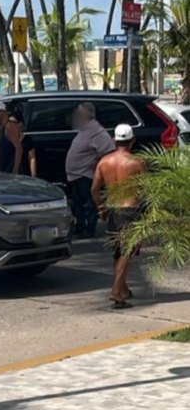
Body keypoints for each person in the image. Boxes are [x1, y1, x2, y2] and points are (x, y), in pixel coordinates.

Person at [92, 124, 146, 309]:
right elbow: (146, 190)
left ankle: (122, 288)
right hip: (130, 210)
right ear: (132, 141)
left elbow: (95, 190)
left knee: (118, 252)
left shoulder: (104, 162)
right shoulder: (137, 162)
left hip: (113, 210)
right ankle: (116, 291)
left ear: (114, 140)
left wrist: (101, 209)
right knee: (126, 252)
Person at [65, 102, 116, 238]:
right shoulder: (85, 129)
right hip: (75, 175)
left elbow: (109, 148)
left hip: (85, 174)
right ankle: (80, 226)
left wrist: (96, 162)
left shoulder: (97, 131)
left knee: (88, 203)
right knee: (78, 203)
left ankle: (89, 228)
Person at [0, 102, 24, 174]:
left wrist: (15, 169)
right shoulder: (3, 126)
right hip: (2, 170)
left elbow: (19, 148)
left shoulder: (10, 125)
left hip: (9, 170)